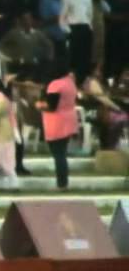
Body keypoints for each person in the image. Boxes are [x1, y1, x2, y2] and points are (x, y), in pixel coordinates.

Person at [35, 59, 79, 191]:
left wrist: (39, 105)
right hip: (69, 120)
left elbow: (51, 106)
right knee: (62, 154)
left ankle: (62, 184)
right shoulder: (70, 82)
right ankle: (63, 183)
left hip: (56, 123)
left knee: (58, 155)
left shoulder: (55, 85)